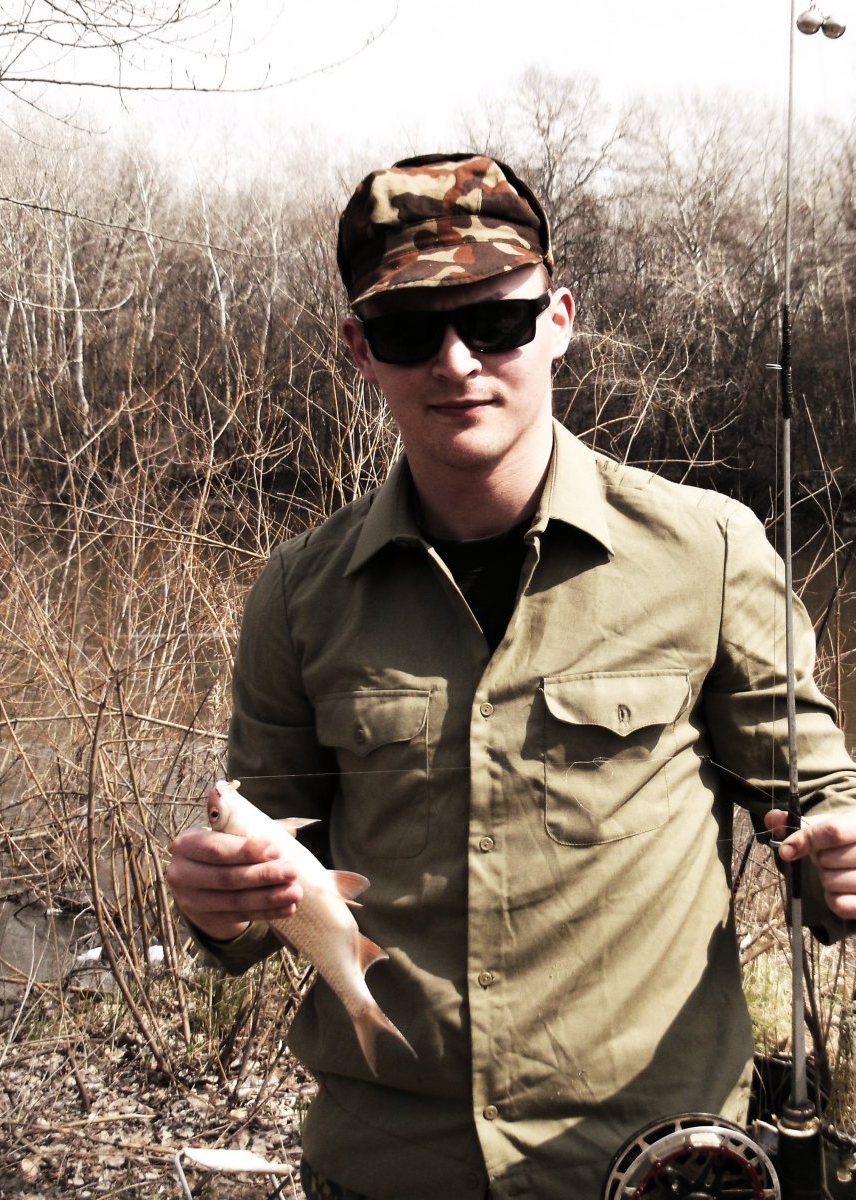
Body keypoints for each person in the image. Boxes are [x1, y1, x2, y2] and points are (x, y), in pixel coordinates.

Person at [166, 152, 856, 1200]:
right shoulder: (299, 595)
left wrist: (838, 860)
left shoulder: (709, 553)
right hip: (389, 1168)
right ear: (359, 350)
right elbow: (264, 885)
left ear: (558, 321)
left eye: (494, 323)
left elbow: (816, 807)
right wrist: (220, 909)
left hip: (655, 1165)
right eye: (408, 332)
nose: (455, 362)